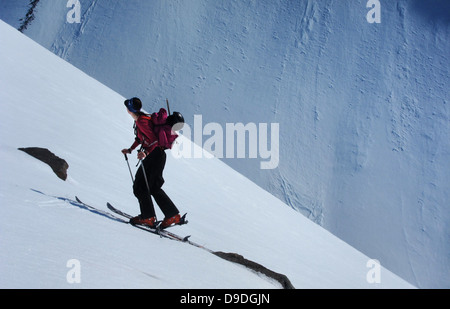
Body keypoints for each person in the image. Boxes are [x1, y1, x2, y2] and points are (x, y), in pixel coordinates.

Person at [121, 97, 181, 228]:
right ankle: (172, 215)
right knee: (152, 187)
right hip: (157, 155)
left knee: (140, 186)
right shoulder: (140, 120)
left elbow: (153, 140)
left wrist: (146, 153)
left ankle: (148, 217)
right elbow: (140, 138)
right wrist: (130, 149)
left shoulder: (142, 121)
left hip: (154, 155)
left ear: (130, 109)